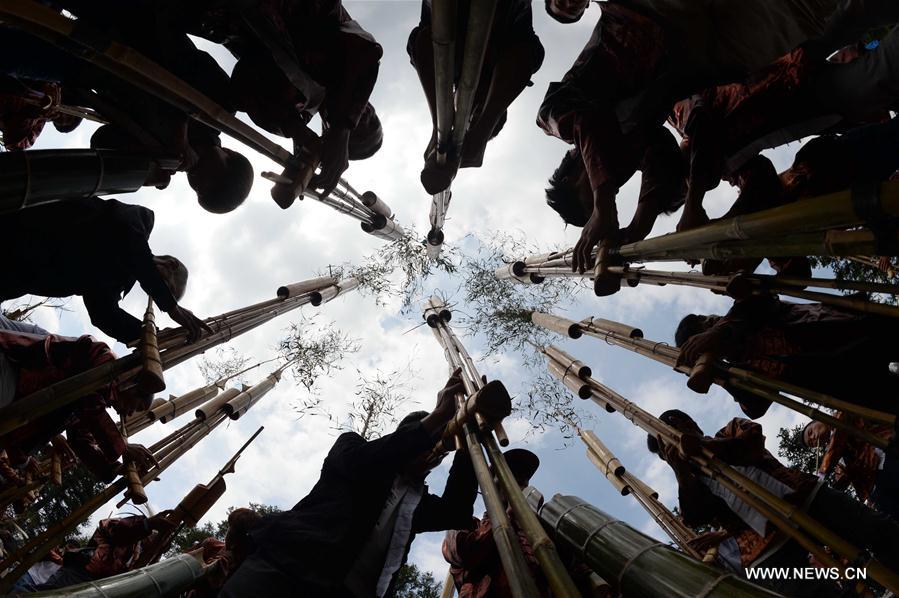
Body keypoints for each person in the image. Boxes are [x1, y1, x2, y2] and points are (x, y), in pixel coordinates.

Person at [539, 0, 844, 274]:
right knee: (807, 12)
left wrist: (603, 206)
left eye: (589, 194)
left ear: (569, 178)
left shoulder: (552, 119)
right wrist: (638, 226)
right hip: (710, 52)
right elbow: (661, 157)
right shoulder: (629, 150)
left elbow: (588, 119)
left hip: (654, 12)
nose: (607, 189)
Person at [221, 370, 478, 597]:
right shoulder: (351, 447)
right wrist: (438, 417)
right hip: (282, 573)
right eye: (430, 440)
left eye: (440, 450)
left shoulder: (417, 502)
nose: (433, 453)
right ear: (407, 435)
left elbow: (455, 511)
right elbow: (370, 461)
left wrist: (469, 439)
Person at [649, 409, 899, 597]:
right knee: (811, 593)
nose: (671, 441)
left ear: (691, 424)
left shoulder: (730, 430)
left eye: (673, 426)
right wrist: (682, 473)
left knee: (879, 531)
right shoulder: (691, 485)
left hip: (803, 496)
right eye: (663, 448)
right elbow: (695, 517)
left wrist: (703, 447)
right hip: (763, 548)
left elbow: (752, 444)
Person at [222, 0, 383, 201]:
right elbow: (366, 52)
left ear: (327, 134)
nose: (366, 116)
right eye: (374, 119)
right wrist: (343, 129)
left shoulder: (295, 113)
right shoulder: (349, 65)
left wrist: (301, 135)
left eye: (361, 132)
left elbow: (242, 86)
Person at [0, 196, 210, 345]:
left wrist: (149, 336)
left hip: (11, 277)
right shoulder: (142, 221)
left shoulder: (117, 283)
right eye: (168, 288)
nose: (157, 297)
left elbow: (103, 314)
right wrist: (170, 306)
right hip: (15, 225)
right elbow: (128, 237)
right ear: (170, 264)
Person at [674, 294, 899, 418]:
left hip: (848, 327)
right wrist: (717, 375)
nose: (709, 320)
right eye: (700, 328)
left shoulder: (741, 313)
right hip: (845, 382)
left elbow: (760, 299)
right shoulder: (740, 372)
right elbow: (754, 408)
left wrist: (716, 332)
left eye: (704, 317)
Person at [408, 0, 545, 194]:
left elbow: (422, 40)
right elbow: (526, 56)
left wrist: (438, 126)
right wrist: (483, 128)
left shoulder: (445, 71)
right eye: (479, 114)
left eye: (469, 119)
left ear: (455, 98)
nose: (473, 111)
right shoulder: (510, 65)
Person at [0, 328, 157, 483]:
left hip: (14, 405)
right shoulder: (104, 358)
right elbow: (87, 397)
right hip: (13, 369)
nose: (130, 413)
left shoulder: (93, 404)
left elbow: (80, 439)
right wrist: (123, 449)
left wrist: (113, 469)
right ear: (133, 386)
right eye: (137, 407)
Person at [443, 448, 550, 597]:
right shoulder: (468, 524)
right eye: (513, 481)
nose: (520, 487)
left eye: (523, 483)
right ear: (492, 485)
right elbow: (464, 552)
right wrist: (507, 516)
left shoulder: (540, 532)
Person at [37, 512, 177, 589]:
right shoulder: (125, 529)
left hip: (96, 587)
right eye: (159, 537)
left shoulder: (138, 555)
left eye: (164, 542)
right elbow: (119, 530)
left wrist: (157, 553)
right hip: (79, 572)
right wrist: (147, 524)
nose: (158, 540)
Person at [803, 416, 899, 520]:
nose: (812, 438)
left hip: (885, 459)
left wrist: (822, 472)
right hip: (876, 492)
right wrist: (821, 487)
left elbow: (838, 437)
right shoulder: (834, 459)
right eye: (811, 443)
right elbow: (843, 479)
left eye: (810, 432)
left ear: (819, 420)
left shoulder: (840, 418)